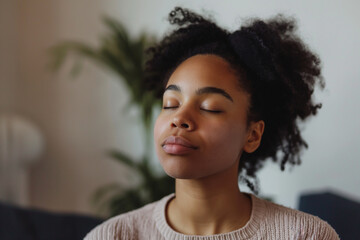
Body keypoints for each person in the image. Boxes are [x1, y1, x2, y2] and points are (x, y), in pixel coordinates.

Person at [84, 7, 339, 240]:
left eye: (210, 108)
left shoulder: (306, 235)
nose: (179, 119)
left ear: (252, 135)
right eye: (171, 104)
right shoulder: (112, 236)